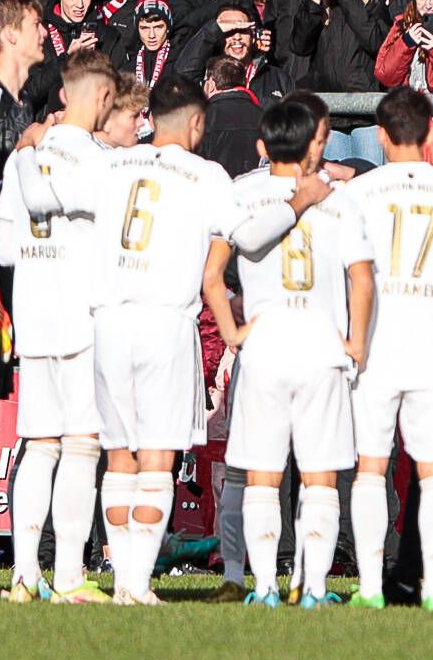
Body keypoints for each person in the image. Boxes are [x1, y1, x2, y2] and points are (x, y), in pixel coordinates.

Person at [23, 72, 297, 605]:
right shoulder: (207, 174)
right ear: (197, 122)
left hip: (106, 322)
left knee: (119, 457)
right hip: (164, 322)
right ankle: (133, 581)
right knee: (157, 458)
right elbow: (250, 236)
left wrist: (37, 140)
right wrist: (299, 202)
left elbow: (50, 190)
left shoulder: (111, 163)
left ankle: (121, 574)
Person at [210, 96, 373, 606]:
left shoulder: (242, 192)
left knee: (261, 473)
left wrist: (233, 334)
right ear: (314, 143)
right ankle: (316, 587)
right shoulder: (340, 198)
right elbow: (362, 277)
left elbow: (212, 275)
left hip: (263, 348)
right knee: (321, 476)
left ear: (264, 144)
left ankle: (262, 586)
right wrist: (358, 342)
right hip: (322, 346)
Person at [337, 86, 433, 610]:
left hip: (373, 344)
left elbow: (341, 269)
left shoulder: (358, 193)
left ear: (379, 135)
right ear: (432, 130)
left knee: (371, 465)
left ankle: (371, 587)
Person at [0, 53, 115, 602]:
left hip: (36, 314)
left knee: (40, 445)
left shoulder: (25, 156)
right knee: (82, 445)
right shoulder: (97, 160)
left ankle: (24, 574)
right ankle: (67, 574)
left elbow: (5, 247)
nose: (110, 104)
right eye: (106, 95)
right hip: (83, 314)